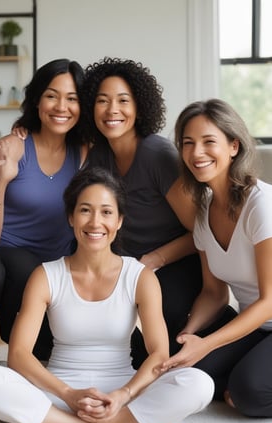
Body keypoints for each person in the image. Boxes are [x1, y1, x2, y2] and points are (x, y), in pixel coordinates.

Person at [0, 166, 214, 423]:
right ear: (71, 217)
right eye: (85, 210)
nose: (96, 222)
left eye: (107, 212)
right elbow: (19, 354)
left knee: (199, 384)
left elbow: (158, 354)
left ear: (119, 221)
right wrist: (68, 394)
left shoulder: (139, 276)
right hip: (59, 392)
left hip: (121, 392)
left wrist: (124, 394)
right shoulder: (46, 275)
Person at [0, 59, 88, 360]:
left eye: (72, 98)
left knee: (46, 351)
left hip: (55, 264)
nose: (61, 106)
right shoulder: (13, 146)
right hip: (7, 251)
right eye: (52, 95)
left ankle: (8, 338)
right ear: (37, 99)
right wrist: (1, 178)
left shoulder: (85, 150)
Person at [80, 57, 202, 362]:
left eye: (123, 100)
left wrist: (154, 259)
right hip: (127, 265)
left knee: (156, 341)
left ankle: (217, 319)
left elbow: (201, 232)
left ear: (140, 106)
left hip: (175, 263)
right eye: (102, 101)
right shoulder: (98, 156)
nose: (112, 110)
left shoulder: (158, 155)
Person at [158, 98, 272, 418]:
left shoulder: (260, 205)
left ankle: (242, 389)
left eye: (209, 142)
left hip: (264, 314)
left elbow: (269, 301)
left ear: (233, 146)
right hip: (256, 327)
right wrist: (189, 337)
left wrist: (207, 344)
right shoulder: (205, 211)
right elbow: (213, 293)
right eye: (188, 143)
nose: (197, 153)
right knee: (190, 373)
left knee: (249, 392)